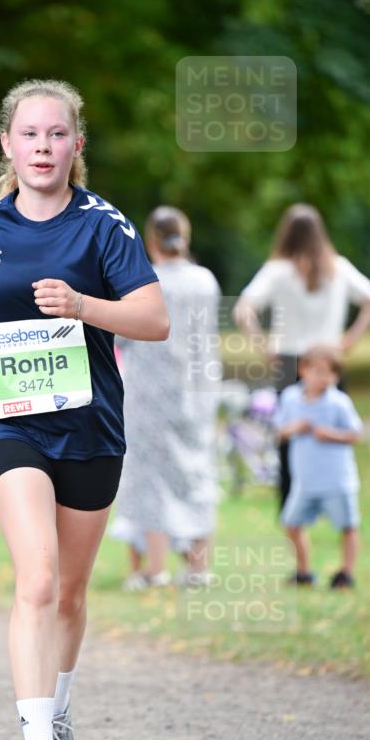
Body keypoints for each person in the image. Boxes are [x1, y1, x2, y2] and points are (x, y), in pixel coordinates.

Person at [0, 79, 169, 740]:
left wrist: (83, 305)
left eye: (55, 134)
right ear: (7, 144)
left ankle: (57, 712)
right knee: (34, 578)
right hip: (7, 421)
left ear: (76, 146)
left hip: (90, 425)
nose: (42, 146)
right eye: (29, 134)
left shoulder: (104, 225)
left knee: (68, 591)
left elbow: (154, 320)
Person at [112, 207, 220, 589]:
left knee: (149, 475)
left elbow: (123, 335)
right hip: (197, 392)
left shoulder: (146, 282)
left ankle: (154, 568)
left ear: (151, 240)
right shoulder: (205, 281)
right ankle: (198, 566)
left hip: (150, 390)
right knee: (195, 470)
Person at [233, 204, 370, 506]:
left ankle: (291, 501)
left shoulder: (277, 271)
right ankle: (334, 497)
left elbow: (243, 309)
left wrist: (263, 345)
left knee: (287, 436)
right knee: (334, 429)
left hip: (290, 361)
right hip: (330, 362)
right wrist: (349, 339)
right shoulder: (339, 268)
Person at [273, 346, 362, 589]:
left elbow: (356, 434)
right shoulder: (291, 397)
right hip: (305, 481)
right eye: (319, 371)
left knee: (347, 525)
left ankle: (345, 573)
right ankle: (303, 571)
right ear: (303, 370)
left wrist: (331, 434)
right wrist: (295, 428)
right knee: (291, 523)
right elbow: (279, 430)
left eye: (331, 373)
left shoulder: (338, 402)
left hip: (337, 480)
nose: (324, 378)